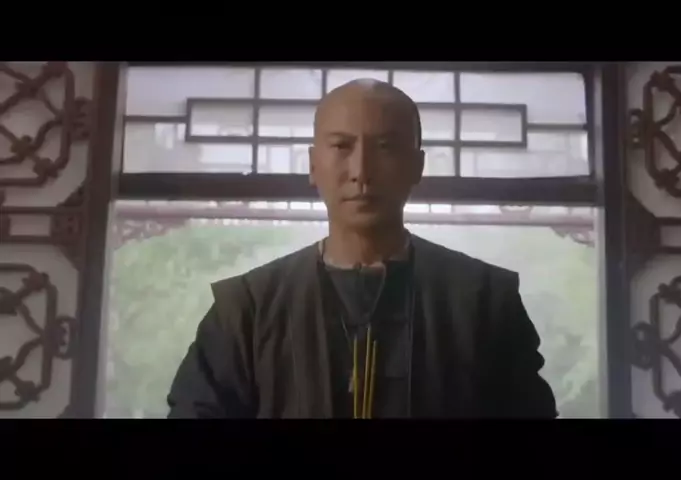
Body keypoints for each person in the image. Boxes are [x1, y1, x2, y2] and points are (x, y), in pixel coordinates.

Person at [166, 79, 557, 418]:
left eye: (385, 147)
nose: (361, 171)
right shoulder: (247, 309)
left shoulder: (484, 301)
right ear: (313, 164)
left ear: (417, 166)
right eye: (341, 146)